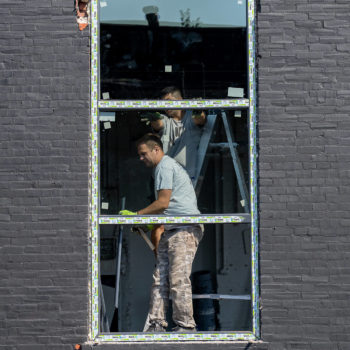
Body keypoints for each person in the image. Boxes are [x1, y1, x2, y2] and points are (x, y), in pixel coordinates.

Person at [120, 134, 203, 332]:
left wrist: (138, 216)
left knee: (178, 277)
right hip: (172, 227)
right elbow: (169, 207)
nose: (141, 158)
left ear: (156, 149)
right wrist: (149, 224)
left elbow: (163, 203)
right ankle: (156, 323)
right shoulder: (163, 168)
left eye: (143, 154)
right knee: (160, 277)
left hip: (184, 228)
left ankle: (186, 325)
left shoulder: (165, 166)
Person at [150, 86, 206, 182]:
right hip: (164, 177)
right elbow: (158, 123)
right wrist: (151, 115)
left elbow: (200, 118)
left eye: (169, 101)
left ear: (180, 100)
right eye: (163, 103)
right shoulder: (165, 120)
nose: (166, 106)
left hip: (185, 178)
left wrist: (198, 110)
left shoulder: (190, 117)